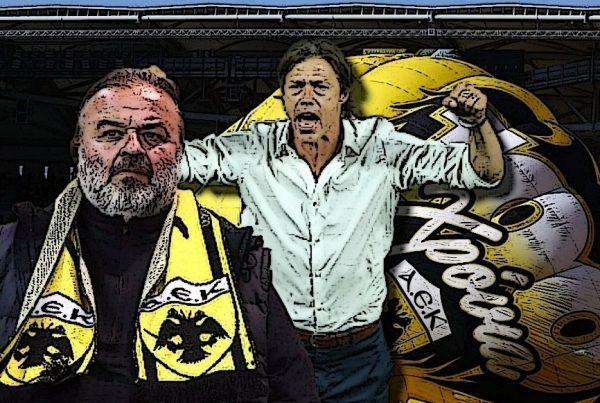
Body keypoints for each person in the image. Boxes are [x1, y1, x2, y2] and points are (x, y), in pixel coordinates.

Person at [180, 39, 504, 402]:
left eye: (320, 86)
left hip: (359, 358)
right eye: (296, 87)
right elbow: (178, 164)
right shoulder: (253, 150)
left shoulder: (382, 149)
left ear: (343, 96)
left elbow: (484, 172)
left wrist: (477, 123)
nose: (306, 97)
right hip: (276, 349)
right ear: (283, 98)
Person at [0, 67, 319, 402]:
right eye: (110, 133)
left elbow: (294, 389)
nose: (132, 149)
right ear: (79, 148)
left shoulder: (235, 258)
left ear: (179, 152)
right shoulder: (14, 248)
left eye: (153, 135)